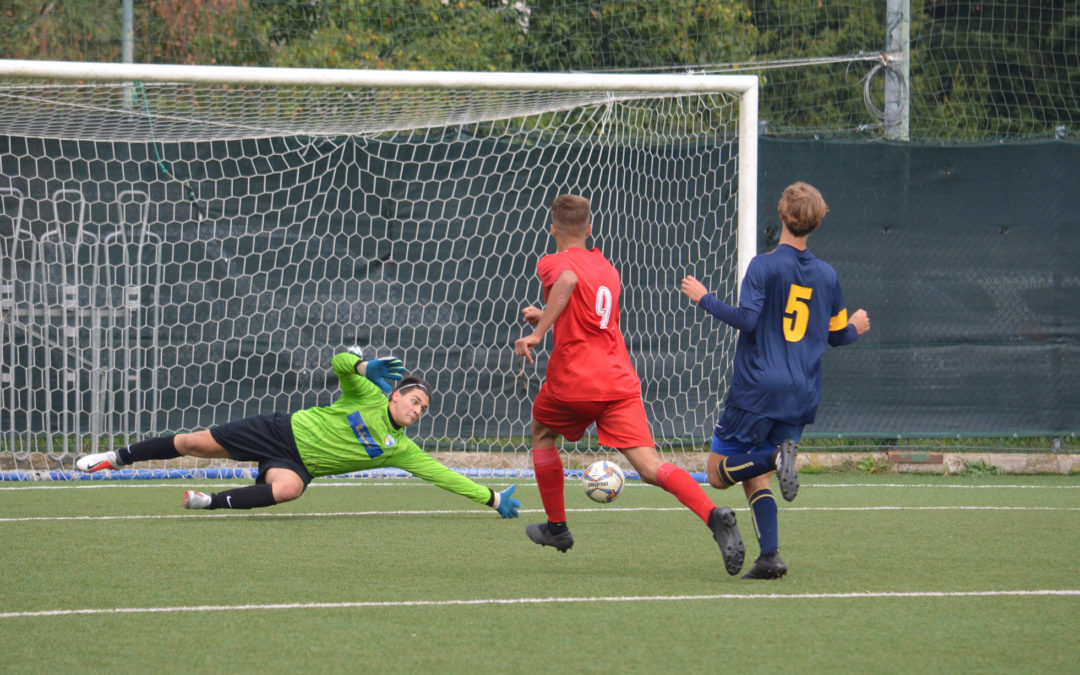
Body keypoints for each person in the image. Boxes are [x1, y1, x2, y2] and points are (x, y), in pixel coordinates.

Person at [514, 194, 745, 576]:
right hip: (619, 380)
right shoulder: (606, 267)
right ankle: (712, 513)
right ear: (589, 229)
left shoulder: (552, 262)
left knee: (541, 432)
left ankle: (557, 527)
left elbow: (568, 281)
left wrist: (539, 331)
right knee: (652, 467)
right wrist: (549, 315)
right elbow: (591, 317)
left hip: (574, 381)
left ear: (552, 229)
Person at [680, 181, 870, 579]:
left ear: (782, 216)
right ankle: (770, 557)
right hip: (801, 394)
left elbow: (747, 320)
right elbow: (837, 336)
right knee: (755, 474)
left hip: (757, 389)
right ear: (817, 222)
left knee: (718, 474)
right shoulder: (827, 275)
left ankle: (775, 456)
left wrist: (704, 298)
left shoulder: (763, 266)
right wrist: (855, 327)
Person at [75, 350, 521, 519]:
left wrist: (493, 498)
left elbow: (443, 476)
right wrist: (365, 367)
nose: (418, 410)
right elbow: (341, 361)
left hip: (298, 464)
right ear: (395, 395)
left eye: (424, 409)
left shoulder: (399, 450)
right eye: (414, 400)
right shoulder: (367, 392)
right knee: (193, 442)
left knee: (288, 490)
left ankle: (208, 502)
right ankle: (115, 457)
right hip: (278, 429)